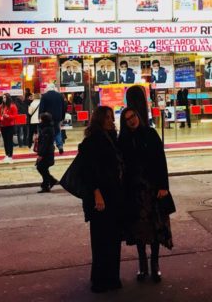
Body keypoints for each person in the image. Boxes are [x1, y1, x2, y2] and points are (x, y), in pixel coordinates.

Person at [119, 107, 173, 283]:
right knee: (139, 230)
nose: (131, 120)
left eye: (133, 116)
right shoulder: (124, 139)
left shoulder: (150, 133)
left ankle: (155, 264)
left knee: (155, 227)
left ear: (138, 116)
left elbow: (160, 160)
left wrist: (164, 185)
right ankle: (142, 264)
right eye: (127, 119)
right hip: (134, 192)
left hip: (152, 189)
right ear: (125, 123)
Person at [78, 106, 124, 293]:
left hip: (113, 194)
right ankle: (100, 279)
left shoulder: (111, 138)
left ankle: (112, 277)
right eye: (106, 118)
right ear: (99, 119)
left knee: (113, 238)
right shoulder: (92, 142)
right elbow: (87, 171)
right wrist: (96, 192)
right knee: (100, 239)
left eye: (112, 117)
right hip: (100, 196)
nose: (110, 121)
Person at [39, 83, 67, 154]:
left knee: (49, 132)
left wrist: (40, 117)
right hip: (58, 117)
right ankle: (60, 145)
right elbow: (64, 107)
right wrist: (62, 117)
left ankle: (51, 146)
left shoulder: (44, 96)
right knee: (57, 130)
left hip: (47, 117)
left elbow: (41, 108)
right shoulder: (60, 96)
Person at [36, 112, 58, 193]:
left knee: (41, 167)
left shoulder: (47, 129)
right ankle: (49, 182)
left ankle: (47, 184)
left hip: (46, 153)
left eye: (41, 119)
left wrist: (40, 154)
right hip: (47, 151)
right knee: (42, 168)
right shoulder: (46, 128)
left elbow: (45, 143)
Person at [0, 93, 19, 162]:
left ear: (8, 98)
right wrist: (1, 118)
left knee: (9, 141)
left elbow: (15, 116)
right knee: (5, 141)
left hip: (10, 126)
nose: (4, 99)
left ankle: (10, 156)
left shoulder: (13, 106)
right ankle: (6, 155)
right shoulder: (1, 106)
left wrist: (8, 116)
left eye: (5, 97)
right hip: (3, 125)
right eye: (3, 98)